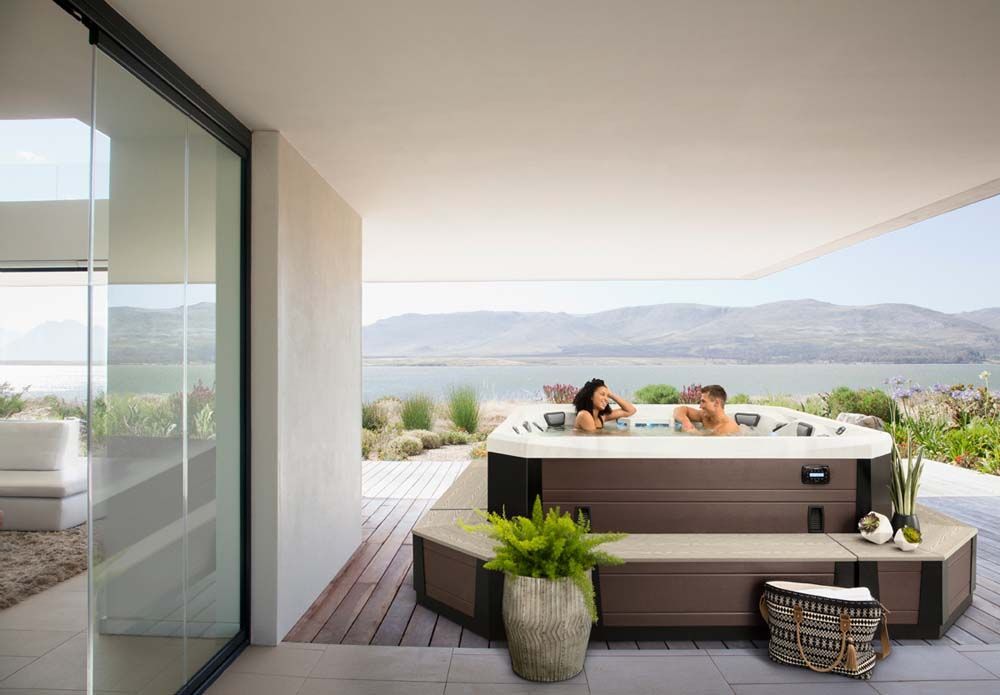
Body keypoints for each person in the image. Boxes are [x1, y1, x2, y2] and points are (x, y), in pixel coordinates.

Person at [673, 384, 740, 435]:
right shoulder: (705, 416)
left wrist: (693, 432)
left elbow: (710, 444)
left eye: (703, 401)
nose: (700, 406)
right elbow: (679, 410)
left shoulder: (729, 427)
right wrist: (685, 422)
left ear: (716, 403)